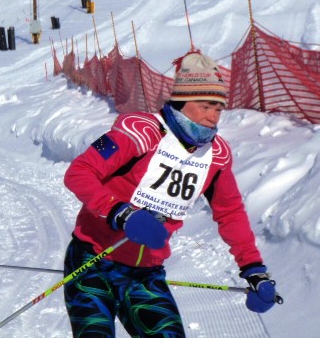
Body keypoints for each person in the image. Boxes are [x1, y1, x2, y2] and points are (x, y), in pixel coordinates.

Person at [63, 51, 281, 337]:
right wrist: (121, 213)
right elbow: (79, 172)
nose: (212, 116)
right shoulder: (138, 132)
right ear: (181, 102)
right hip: (92, 262)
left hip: (145, 275)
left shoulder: (215, 156)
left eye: (218, 108)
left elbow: (230, 213)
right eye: (205, 106)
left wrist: (253, 269)